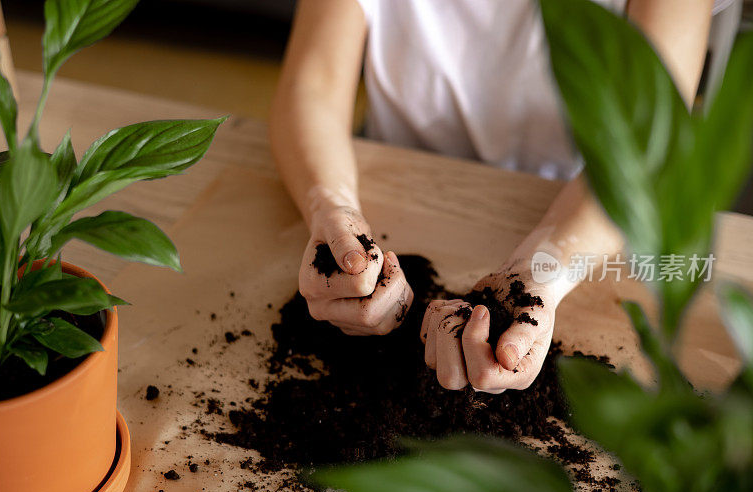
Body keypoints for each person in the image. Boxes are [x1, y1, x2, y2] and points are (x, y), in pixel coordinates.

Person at [269, 0, 717, 393]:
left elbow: (646, 150)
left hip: (583, 215)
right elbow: (312, 86)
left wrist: (538, 273)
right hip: (405, 193)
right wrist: (331, 205)